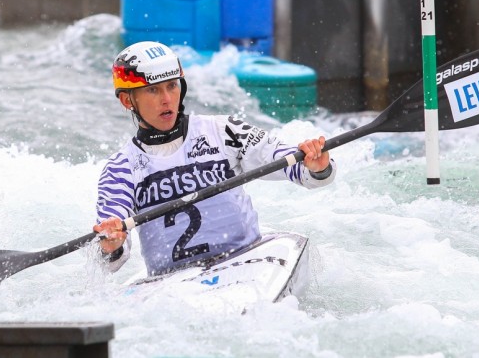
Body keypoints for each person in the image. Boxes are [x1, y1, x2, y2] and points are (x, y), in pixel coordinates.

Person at [93, 41, 336, 275]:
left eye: (172, 86)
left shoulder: (224, 131)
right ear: (127, 100)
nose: (167, 99)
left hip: (245, 259)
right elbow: (110, 261)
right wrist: (111, 243)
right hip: (170, 282)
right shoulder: (120, 168)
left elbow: (291, 165)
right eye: (153, 90)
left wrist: (315, 165)